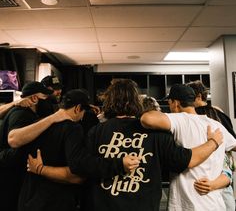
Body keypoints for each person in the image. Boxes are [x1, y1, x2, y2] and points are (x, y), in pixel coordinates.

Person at [28, 79, 224, 211]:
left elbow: (79, 168)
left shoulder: (97, 131)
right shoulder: (156, 134)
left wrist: (41, 169)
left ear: (109, 101)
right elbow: (186, 160)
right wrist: (214, 142)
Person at [17, 89, 140, 211]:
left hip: (29, 196)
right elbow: (77, 171)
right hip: (55, 200)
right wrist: (119, 164)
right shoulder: (73, 129)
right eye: (84, 111)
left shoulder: (38, 124)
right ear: (77, 108)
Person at [141, 84, 236, 211]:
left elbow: (147, 119)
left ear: (175, 103)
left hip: (188, 205)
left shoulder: (180, 119)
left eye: (170, 103)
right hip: (215, 204)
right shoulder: (216, 125)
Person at [0, 81, 54, 211]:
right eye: (45, 97)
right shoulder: (21, 114)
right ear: (34, 98)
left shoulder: (27, 114)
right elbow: (15, 145)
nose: (47, 101)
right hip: (9, 178)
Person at [187, 80, 236, 211]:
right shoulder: (220, 114)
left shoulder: (193, 117)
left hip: (203, 173)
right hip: (222, 174)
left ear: (198, 97)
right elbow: (233, 144)